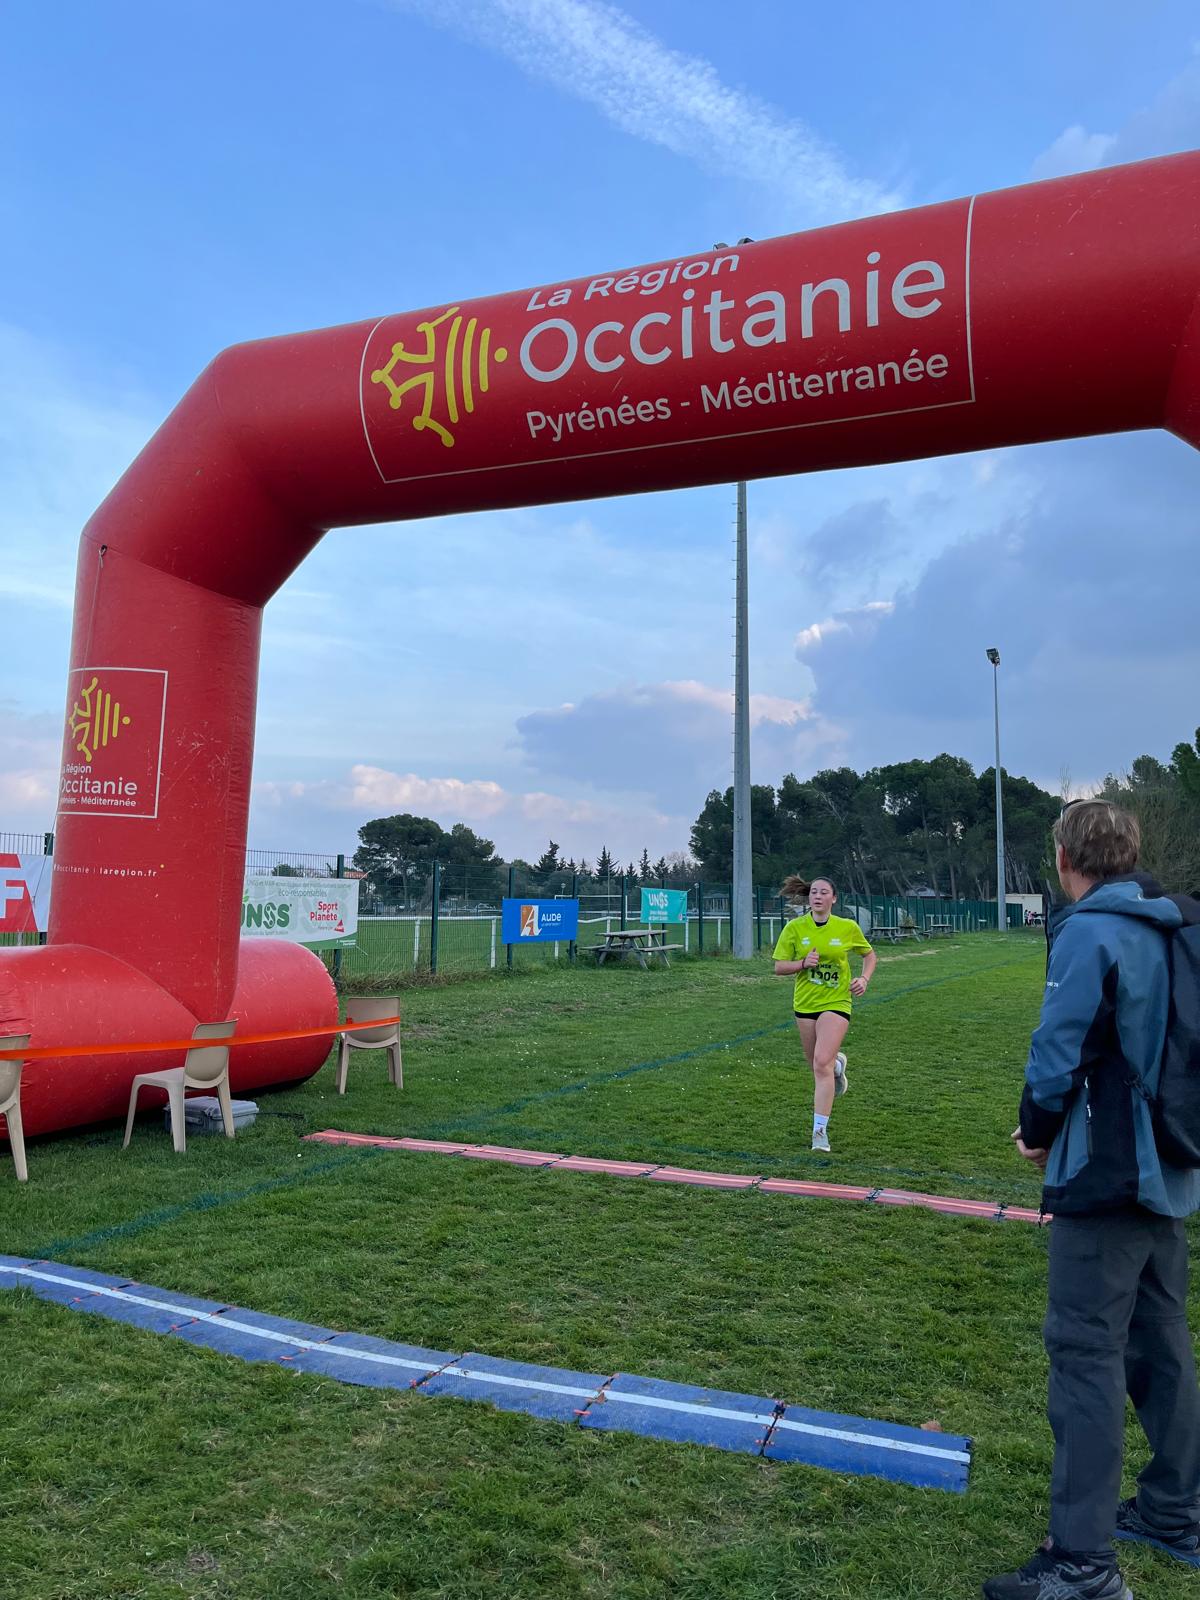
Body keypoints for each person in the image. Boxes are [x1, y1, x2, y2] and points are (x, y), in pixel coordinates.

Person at [984, 800, 1200, 1600]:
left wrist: (1037, 1130)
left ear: (1065, 860)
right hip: (1170, 1168)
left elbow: (1057, 1051)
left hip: (1107, 1171)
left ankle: (1082, 1562)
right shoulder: (1177, 921)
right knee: (1161, 1342)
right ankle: (1177, 1511)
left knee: (1085, 1355)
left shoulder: (1090, 929)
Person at [773, 875, 876, 1152]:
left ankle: (819, 1133)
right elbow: (779, 967)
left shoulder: (847, 927)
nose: (817, 896)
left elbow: (869, 955)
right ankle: (837, 1067)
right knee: (818, 1066)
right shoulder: (795, 928)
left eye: (823, 892)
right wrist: (802, 963)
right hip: (805, 1004)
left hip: (837, 1001)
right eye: (814, 892)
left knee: (821, 1063)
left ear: (834, 898)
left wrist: (864, 979)